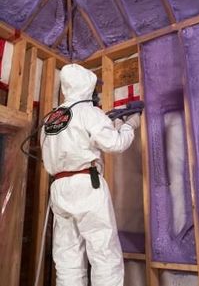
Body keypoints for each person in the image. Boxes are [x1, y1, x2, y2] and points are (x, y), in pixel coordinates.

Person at [40, 63, 140, 286]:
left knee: (68, 256)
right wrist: (129, 126)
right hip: (87, 184)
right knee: (104, 253)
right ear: (87, 87)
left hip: (59, 189)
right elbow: (114, 144)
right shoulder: (89, 112)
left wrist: (109, 123)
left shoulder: (51, 119)